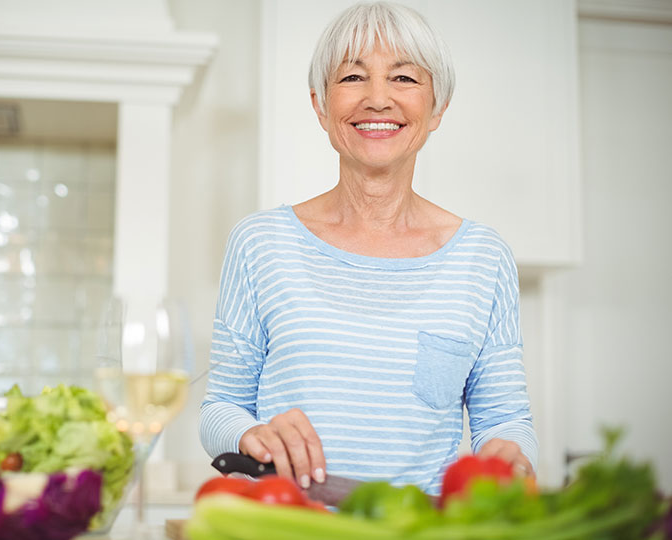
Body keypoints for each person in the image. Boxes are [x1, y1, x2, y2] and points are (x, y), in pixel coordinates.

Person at [199, 1, 538, 496]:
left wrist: (509, 453)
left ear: (437, 107)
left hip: (418, 530)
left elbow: (506, 420)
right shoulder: (260, 243)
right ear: (320, 104)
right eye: (353, 77)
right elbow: (219, 408)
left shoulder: (483, 258)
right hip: (289, 526)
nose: (378, 100)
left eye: (404, 79)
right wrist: (251, 433)